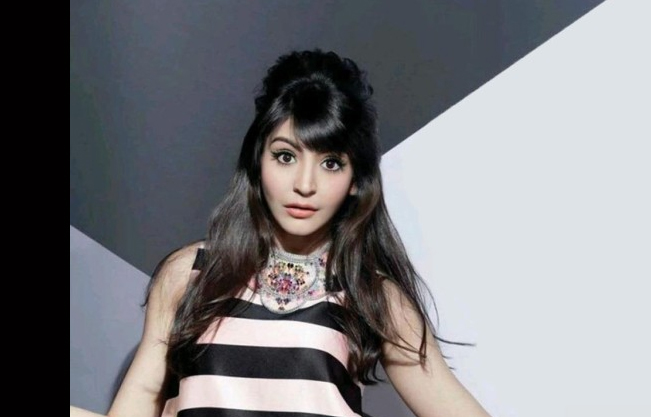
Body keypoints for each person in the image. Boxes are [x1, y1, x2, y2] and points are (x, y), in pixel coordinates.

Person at [70, 49, 492, 417]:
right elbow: (135, 406)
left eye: (331, 163)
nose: (305, 184)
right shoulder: (189, 274)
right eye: (286, 156)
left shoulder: (372, 295)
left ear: (356, 180)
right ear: (259, 160)